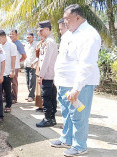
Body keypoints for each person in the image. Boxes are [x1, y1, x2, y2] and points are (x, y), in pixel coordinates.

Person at [51, 4, 101, 156]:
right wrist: (57, 80)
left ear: (78, 17)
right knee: (67, 114)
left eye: (67, 19)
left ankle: (80, 146)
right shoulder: (69, 34)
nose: (64, 22)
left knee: (79, 116)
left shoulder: (89, 35)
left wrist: (76, 88)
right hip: (65, 83)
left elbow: (87, 65)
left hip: (80, 85)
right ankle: (67, 139)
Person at [35, 20, 58, 127]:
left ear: (47, 29)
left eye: (41, 30)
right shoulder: (49, 41)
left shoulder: (49, 42)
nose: (39, 32)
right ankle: (52, 118)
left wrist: (41, 75)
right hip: (50, 75)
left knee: (47, 98)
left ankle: (48, 119)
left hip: (47, 75)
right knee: (52, 97)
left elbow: (46, 61)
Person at [0, 30, 17, 113]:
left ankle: (8, 105)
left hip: (8, 72)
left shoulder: (11, 45)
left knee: (7, 90)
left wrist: (12, 70)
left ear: (4, 37)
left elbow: (13, 58)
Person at [9, 30, 27, 104]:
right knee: (7, 82)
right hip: (8, 66)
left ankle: (14, 98)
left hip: (15, 67)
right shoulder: (9, 43)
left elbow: (24, 56)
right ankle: (7, 96)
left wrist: (17, 62)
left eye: (12, 34)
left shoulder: (18, 44)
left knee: (14, 82)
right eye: (10, 34)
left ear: (16, 35)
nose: (11, 35)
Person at [24, 33, 38, 102]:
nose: (28, 39)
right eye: (27, 37)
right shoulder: (26, 45)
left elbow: (38, 56)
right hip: (26, 65)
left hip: (33, 65)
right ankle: (31, 94)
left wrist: (34, 62)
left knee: (32, 81)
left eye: (29, 37)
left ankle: (31, 96)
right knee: (27, 81)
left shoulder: (36, 44)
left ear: (33, 37)